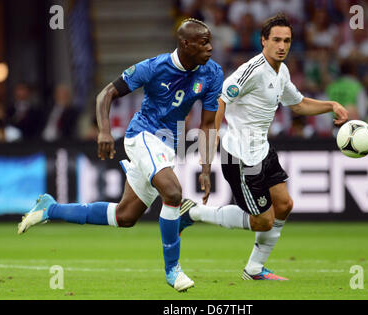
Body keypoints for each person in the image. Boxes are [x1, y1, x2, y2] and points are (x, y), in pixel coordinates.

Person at [17, 18, 224, 292]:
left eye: (210, 41)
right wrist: (104, 131)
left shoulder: (212, 73)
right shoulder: (153, 67)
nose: (211, 47)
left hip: (166, 147)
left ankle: (49, 208)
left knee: (125, 217)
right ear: (186, 44)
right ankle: (173, 270)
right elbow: (106, 94)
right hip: (142, 136)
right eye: (204, 42)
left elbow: (208, 125)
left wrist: (207, 168)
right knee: (173, 193)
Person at [179, 13, 348, 281]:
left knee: (284, 205)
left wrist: (331, 106)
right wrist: (212, 145)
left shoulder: (282, 71)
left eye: (287, 41)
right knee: (262, 220)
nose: (282, 46)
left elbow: (298, 104)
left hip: (262, 150)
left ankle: (254, 269)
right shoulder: (252, 71)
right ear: (263, 41)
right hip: (241, 157)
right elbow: (220, 100)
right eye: (277, 40)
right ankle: (195, 213)